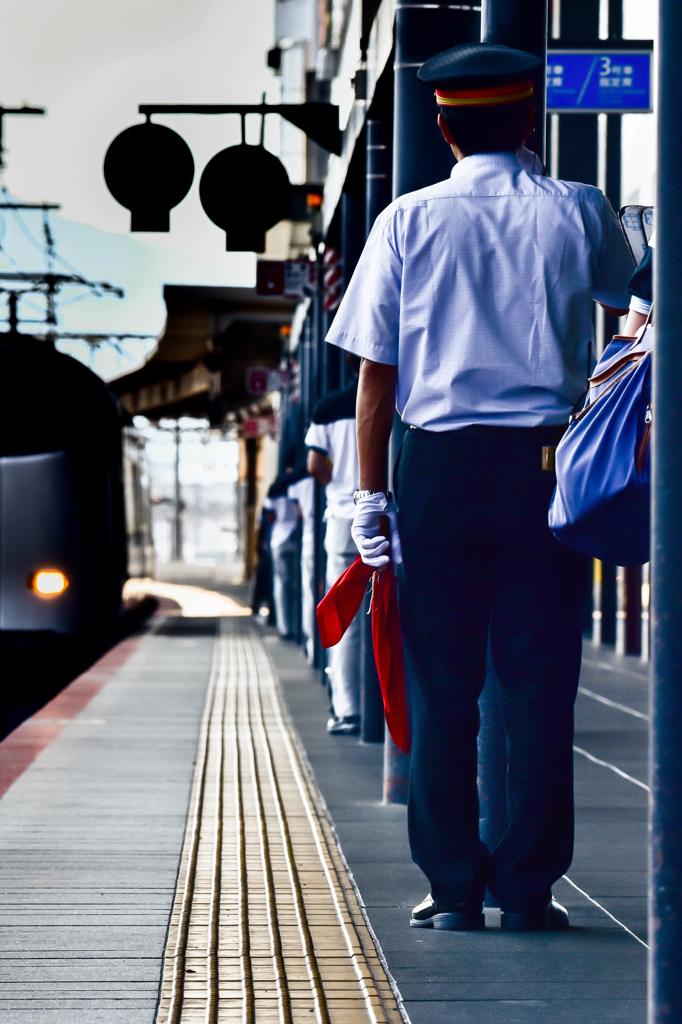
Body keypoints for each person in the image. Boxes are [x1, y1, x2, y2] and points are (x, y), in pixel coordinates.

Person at [326, 43, 634, 930]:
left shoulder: (405, 220)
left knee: (441, 687)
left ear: (441, 125)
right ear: (530, 121)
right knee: (539, 686)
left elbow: (375, 380)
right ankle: (529, 887)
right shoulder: (578, 210)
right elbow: (631, 300)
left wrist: (369, 500)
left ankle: (453, 885)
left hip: (436, 475)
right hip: (545, 473)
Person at [305, 357, 364, 735]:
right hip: (392, 516)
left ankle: (349, 709)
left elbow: (314, 465)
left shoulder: (328, 407)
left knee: (346, 618)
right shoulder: (399, 398)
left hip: (344, 517)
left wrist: (338, 487)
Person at [263, 465, 300, 640]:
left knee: (281, 585)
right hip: (295, 538)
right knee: (296, 585)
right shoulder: (296, 484)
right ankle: (295, 626)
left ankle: (284, 627)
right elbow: (300, 514)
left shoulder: (273, 489)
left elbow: (269, 517)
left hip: (279, 540)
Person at [287, 464, 317, 661]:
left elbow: (298, 515)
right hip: (323, 536)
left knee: (309, 594)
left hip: (308, 540)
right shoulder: (315, 481)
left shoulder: (295, 485)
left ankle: (310, 642)